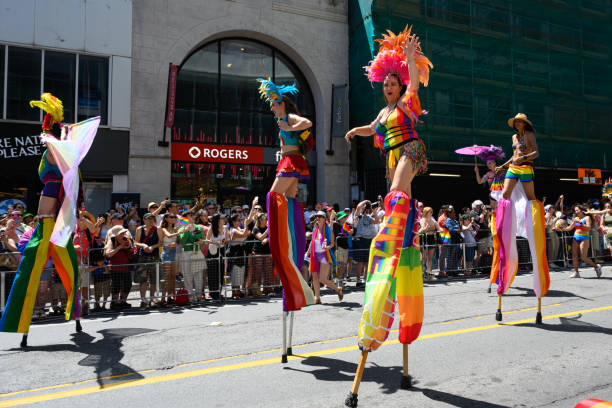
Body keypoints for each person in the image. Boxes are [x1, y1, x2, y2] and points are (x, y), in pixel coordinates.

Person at [344, 26, 432, 351]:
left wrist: (409, 60)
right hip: (393, 155)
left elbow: (413, 80)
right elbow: (372, 128)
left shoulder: (408, 104)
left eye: (393, 83)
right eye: (386, 84)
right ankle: (406, 227)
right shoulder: (383, 112)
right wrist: (354, 131)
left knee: (396, 192)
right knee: (397, 196)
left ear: (401, 86)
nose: (389, 87)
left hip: (411, 149)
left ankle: (398, 224)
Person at [1, 93, 99, 336]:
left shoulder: (60, 159)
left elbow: (60, 157)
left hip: (52, 227)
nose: (42, 139)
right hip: (48, 227)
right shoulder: (55, 158)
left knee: (66, 272)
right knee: (30, 272)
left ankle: (73, 314)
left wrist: (51, 137)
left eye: (46, 134)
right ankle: (18, 323)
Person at [257, 77, 315, 311]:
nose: (271, 107)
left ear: (282, 103)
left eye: (274, 103)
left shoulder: (289, 118)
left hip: (291, 161)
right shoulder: (281, 119)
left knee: (272, 198)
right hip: (290, 161)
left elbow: (308, 122)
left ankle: (279, 236)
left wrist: (290, 127)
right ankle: (292, 245)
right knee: (289, 203)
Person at [492, 113, 549, 299]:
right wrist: (504, 165)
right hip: (514, 167)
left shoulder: (530, 135)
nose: (517, 124)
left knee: (531, 198)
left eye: (520, 122)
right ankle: (505, 218)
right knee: (505, 195)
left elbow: (537, 152)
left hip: (526, 167)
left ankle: (534, 219)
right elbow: (514, 155)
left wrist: (524, 156)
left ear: (524, 123)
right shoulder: (514, 137)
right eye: (515, 122)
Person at [565, 205, 602, 278]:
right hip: (576, 237)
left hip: (584, 238)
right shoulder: (575, 218)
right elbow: (569, 228)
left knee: (583, 257)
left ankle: (596, 266)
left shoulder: (587, 218)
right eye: (575, 210)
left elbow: (588, 228)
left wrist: (581, 223)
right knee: (574, 255)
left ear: (582, 210)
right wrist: (560, 228)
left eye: (577, 210)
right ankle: (576, 272)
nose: (576, 212)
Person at [134, 213, 161, 309]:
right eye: (147, 219)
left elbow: (160, 242)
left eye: (151, 219)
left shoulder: (157, 229)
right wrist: (143, 246)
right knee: (143, 279)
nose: (149, 220)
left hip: (154, 256)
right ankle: (143, 300)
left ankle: (152, 299)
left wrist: (152, 247)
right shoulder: (139, 229)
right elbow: (136, 242)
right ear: (144, 219)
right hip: (143, 257)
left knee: (154, 280)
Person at [178, 210, 205, 304]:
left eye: (192, 215)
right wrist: (186, 230)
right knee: (187, 275)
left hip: (197, 251)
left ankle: (198, 295)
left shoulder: (198, 227)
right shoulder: (181, 228)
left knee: (198, 275)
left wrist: (201, 242)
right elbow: (182, 241)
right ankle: (190, 296)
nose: (191, 217)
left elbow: (203, 239)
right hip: (186, 253)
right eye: (189, 216)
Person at [105, 227, 134, 310]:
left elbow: (131, 250)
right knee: (116, 286)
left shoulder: (126, 239)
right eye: (121, 233)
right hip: (115, 268)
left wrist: (130, 248)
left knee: (127, 284)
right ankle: (114, 302)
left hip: (126, 267)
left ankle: (123, 301)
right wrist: (119, 247)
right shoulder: (112, 241)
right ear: (116, 235)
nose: (124, 234)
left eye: (124, 233)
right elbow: (108, 254)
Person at [158, 213, 181, 306]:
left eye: (175, 217)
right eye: (171, 217)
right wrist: (180, 232)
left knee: (172, 277)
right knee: (167, 278)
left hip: (174, 253)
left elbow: (178, 240)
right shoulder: (163, 229)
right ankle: (163, 299)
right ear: (166, 218)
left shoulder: (175, 229)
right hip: (166, 254)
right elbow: (168, 236)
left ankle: (170, 297)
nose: (174, 218)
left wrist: (176, 243)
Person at [205, 213, 229, 301]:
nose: (224, 220)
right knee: (213, 273)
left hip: (222, 251)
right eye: (222, 218)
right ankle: (213, 293)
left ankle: (219, 292)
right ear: (218, 220)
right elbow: (206, 239)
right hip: (213, 251)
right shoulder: (211, 228)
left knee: (221, 272)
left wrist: (224, 241)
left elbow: (228, 238)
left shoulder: (225, 227)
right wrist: (216, 242)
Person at [418, 207, 441, 279]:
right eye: (430, 212)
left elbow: (439, 229)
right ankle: (421, 273)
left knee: (430, 257)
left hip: (431, 238)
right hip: (424, 238)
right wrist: (426, 229)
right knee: (423, 257)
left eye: (431, 212)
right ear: (426, 213)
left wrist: (437, 230)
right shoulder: (422, 220)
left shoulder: (433, 220)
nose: (431, 213)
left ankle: (428, 272)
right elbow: (423, 229)